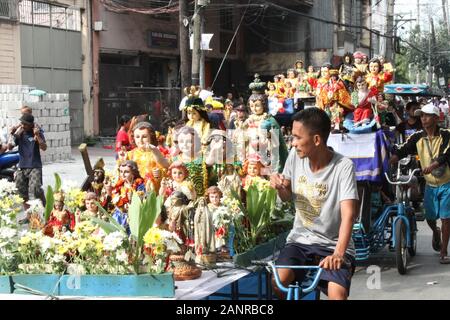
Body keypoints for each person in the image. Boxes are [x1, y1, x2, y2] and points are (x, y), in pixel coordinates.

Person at [270, 108, 358, 300]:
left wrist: (338, 254)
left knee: (337, 294)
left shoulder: (343, 167)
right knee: (278, 282)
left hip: (333, 245)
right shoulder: (295, 156)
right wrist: (279, 186)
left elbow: (349, 215)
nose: (292, 143)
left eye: (296, 138)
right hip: (300, 241)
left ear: (317, 140)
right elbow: (286, 197)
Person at [390, 103, 450, 264]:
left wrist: (432, 165)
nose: (423, 118)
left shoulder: (446, 134)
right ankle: (435, 232)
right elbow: (404, 148)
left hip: (446, 183)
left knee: (446, 218)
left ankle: (443, 252)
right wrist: (391, 159)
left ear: (436, 118)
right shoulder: (417, 136)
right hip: (430, 184)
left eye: (427, 115)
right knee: (430, 218)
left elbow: (446, 154)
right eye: (421, 115)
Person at [14, 114, 47, 220]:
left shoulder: (37, 132)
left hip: (35, 166)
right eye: (22, 123)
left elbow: (44, 147)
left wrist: (37, 136)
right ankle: (29, 216)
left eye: (25, 124)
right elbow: (11, 145)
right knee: (21, 191)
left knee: (35, 190)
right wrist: (14, 134)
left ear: (31, 124)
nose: (23, 125)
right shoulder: (20, 133)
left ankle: (45, 210)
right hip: (22, 166)